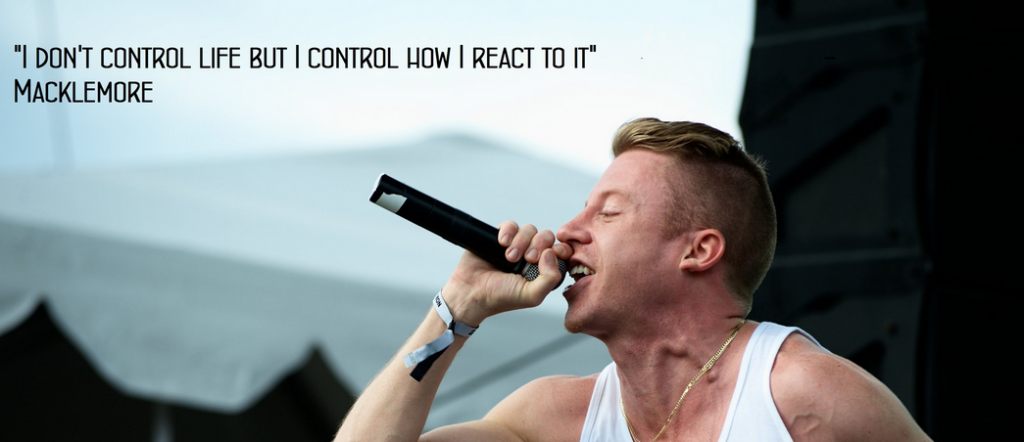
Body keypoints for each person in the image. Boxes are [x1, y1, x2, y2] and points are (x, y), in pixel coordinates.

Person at [335, 118, 932, 442]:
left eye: (608, 213)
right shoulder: (555, 419)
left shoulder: (802, 395)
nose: (568, 232)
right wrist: (457, 306)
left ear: (698, 251)